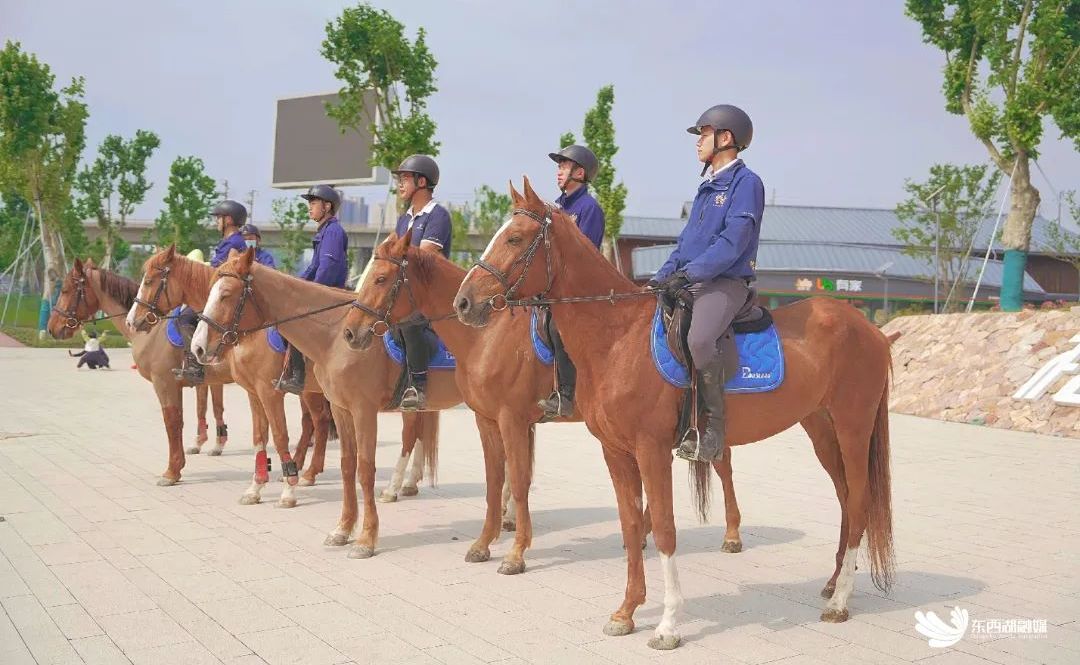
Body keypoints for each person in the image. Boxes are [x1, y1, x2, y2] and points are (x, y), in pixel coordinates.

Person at [646, 104, 765, 463]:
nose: (698, 142)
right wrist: (661, 277)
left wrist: (690, 274)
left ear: (725, 137)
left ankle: (713, 429)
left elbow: (733, 241)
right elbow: (685, 244)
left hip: (726, 282)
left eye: (703, 133)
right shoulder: (706, 188)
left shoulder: (747, 183)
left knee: (699, 339)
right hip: (696, 280)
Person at [536, 145, 606, 421]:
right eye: (558, 166)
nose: (559, 171)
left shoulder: (589, 208)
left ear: (580, 172)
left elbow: (583, 258)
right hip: (553, 287)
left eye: (564, 167)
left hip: (579, 291)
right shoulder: (556, 207)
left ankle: (567, 396)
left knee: (557, 326)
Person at [390, 154, 451, 411]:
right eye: (400, 179)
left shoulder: (438, 215)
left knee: (410, 323)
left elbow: (423, 257)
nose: (400, 185)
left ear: (422, 181)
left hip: (428, 297)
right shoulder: (404, 219)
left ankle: (418, 385)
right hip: (404, 292)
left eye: (405, 178)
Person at [274, 184, 348, 394]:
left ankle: (297, 377)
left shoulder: (333, 231)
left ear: (327, 206)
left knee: (295, 321)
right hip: (323, 290)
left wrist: (308, 293)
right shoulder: (324, 231)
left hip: (330, 294)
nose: (310, 208)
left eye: (313, 203)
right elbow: (314, 267)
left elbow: (327, 268)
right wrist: (293, 286)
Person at [173, 200, 249, 383]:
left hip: (221, 293)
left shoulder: (234, 242)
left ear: (228, 220)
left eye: (219, 218)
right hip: (218, 289)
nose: (217, 222)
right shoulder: (230, 241)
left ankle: (195, 366)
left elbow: (217, 269)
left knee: (185, 318)